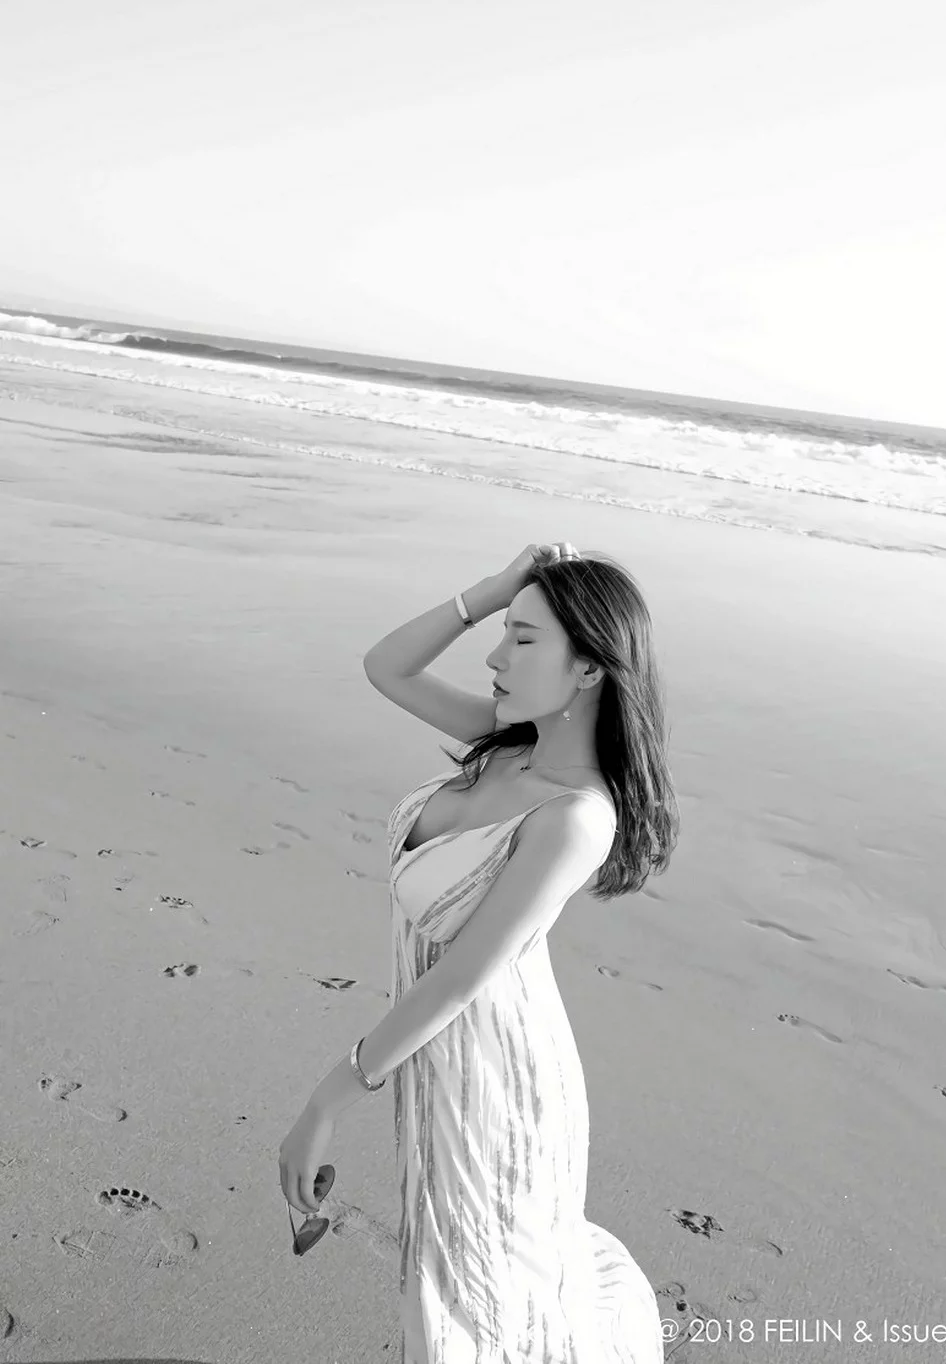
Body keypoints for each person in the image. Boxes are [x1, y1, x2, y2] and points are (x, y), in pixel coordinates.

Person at [279, 539, 679, 1361]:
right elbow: (386, 666)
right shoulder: (508, 741)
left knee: (475, 1299)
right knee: (452, 1285)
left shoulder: (576, 818)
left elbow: (460, 981)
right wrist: (494, 590)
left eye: (523, 639)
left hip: (498, 1078)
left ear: (590, 668)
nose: (496, 656)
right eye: (503, 631)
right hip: (435, 1056)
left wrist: (327, 1102)